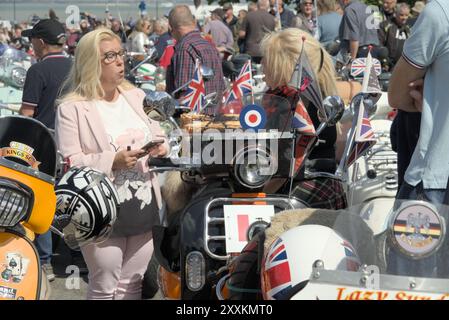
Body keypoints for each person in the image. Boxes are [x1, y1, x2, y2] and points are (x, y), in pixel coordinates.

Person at [55, 28, 169, 299]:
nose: (120, 61)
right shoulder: (71, 108)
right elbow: (71, 163)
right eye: (110, 56)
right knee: (105, 286)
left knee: (132, 284)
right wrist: (113, 161)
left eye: (121, 53)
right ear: (91, 62)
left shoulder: (137, 97)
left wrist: (160, 147)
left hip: (143, 205)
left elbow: (158, 134)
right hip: (99, 210)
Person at [388, 0, 449, 277]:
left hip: (437, 179)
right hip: (436, 179)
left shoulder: (440, 13)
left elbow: (399, 95)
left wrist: (437, 98)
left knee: (412, 287)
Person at [261, 28, 346, 209]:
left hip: (297, 195)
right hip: (327, 189)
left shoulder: (289, 105)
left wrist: (253, 197)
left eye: (267, 60)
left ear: (283, 65)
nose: (261, 66)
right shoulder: (319, 94)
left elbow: (282, 170)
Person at [19, 19, 72, 282]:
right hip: (76, 143)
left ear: (40, 42)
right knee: (73, 198)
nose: (31, 45)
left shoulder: (37, 71)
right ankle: (77, 256)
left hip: (46, 145)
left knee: (42, 199)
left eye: (32, 40)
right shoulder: (77, 67)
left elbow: (27, 114)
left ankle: (44, 261)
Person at [166, 5, 225, 102]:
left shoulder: (184, 48)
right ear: (193, 22)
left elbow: (183, 93)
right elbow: (221, 86)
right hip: (214, 111)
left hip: (194, 114)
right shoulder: (210, 46)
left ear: (171, 28)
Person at [378, 3, 411, 70]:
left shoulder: (409, 28)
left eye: (406, 15)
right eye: (401, 15)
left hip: (405, 64)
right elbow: (379, 45)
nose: (404, 18)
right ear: (395, 14)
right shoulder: (386, 25)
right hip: (389, 65)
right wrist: (385, 62)